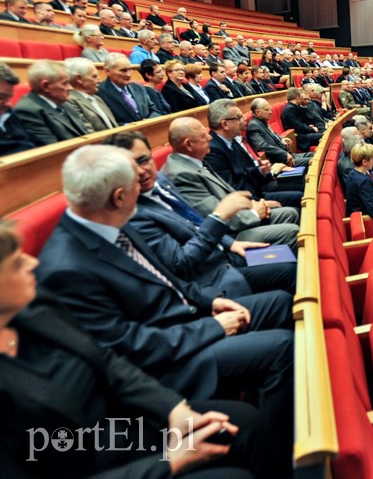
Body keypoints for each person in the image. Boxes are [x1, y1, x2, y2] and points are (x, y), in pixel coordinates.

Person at [34, 146, 294, 475]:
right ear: (119, 197)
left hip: (189, 321)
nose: (143, 190)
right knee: (284, 347)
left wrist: (209, 302)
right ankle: (288, 453)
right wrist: (214, 327)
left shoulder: (107, 219)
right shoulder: (65, 269)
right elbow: (129, 346)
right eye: (134, 186)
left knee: (279, 302)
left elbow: (168, 279)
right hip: (170, 357)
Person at [0, 221, 280, 478]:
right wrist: (167, 463)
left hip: (123, 424)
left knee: (243, 425)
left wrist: (172, 410)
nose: (31, 262)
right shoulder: (58, 275)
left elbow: (108, 362)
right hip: (83, 461)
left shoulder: (34, 308)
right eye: (15, 264)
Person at [106, 131, 296, 295]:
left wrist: (230, 244)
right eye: (130, 166)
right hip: (210, 274)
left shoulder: (161, 181)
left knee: (289, 261)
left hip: (224, 247)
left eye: (144, 160)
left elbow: (193, 222)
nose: (140, 171)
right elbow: (182, 261)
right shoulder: (133, 211)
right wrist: (224, 217)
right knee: (286, 275)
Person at [161, 117, 300, 250]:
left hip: (240, 213)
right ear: (188, 144)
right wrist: (254, 213)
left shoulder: (194, 160)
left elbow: (227, 192)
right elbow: (215, 215)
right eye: (203, 136)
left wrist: (251, 204)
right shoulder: (182, 174)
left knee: (289, 213)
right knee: (292, 231)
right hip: (229, 236)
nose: (209, 137)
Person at [205, 99, 303, 208]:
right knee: (299, 197)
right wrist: (272, 172)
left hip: (260, 185)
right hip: (252, 198)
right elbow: (233, 187)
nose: (244, 120)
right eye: (239, 117)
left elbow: (245, 172)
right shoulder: (214, 150)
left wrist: (262, 170)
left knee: (301, 183)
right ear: (225, 124)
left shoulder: (231, 141)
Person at [13, 60, 89, 146]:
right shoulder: (27, 111)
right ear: (45, 86)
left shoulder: (66, 104)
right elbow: (53, 151)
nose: (70, 88)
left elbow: (87, 135)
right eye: (65, 83)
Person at [97, 53, 162, 124]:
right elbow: (107, 122)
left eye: (130, 69)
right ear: (107, 71)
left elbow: (152, 109)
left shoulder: (138, 88)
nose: (129, 74)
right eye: (123, 70)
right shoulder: (100, 92)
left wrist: (150, 120)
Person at [247, 98, 313, 166]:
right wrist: (284, 154)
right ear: (258, 112)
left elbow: (273, 134)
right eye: (267, 110)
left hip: (288, 155)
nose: (270, 112)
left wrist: (281, 139)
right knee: (314, 161)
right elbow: (262, 146)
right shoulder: (253, 126)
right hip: (280, 162)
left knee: (314, 155)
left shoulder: (261, 122)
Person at [63, 57, 119, 132]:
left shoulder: (97, 98)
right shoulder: (70, 101)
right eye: (94, 76)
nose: (99, 80)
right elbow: (88, 133)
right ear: (79, 79)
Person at [0, 63, 39, 155]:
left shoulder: (8, 112)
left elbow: (34, 140)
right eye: (1, 97)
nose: (8, 103)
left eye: (9, 97)